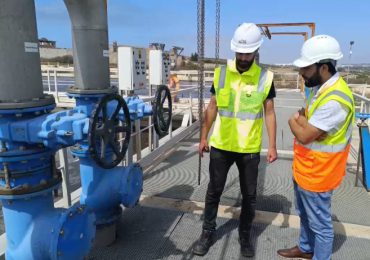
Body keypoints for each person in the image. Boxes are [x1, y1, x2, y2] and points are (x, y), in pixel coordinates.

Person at [192, 23, 277, 258]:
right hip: (221, 145)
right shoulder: (221, 74)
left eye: (247, 53)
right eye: (239, 53)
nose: (242, 57)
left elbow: (269, 112)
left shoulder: (265, 78)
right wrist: (203, 137)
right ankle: (207, 232)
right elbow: (212, 107)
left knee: (249, 196)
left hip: (249, 148)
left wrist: (272, 145)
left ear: (256, 51)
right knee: (213, 191)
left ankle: (244, 235)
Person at [277, 35, 354, 260]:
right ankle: (305, 248)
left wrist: (294, 122)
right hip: (306, 169)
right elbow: (307, 123)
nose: (302, 73)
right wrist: (303, 123)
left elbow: (303, 133)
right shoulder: (322, 89)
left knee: (321, 226)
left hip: (320, 175)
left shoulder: (334, 100)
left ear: (323, 67)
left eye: (306, 68)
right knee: (304, 214)